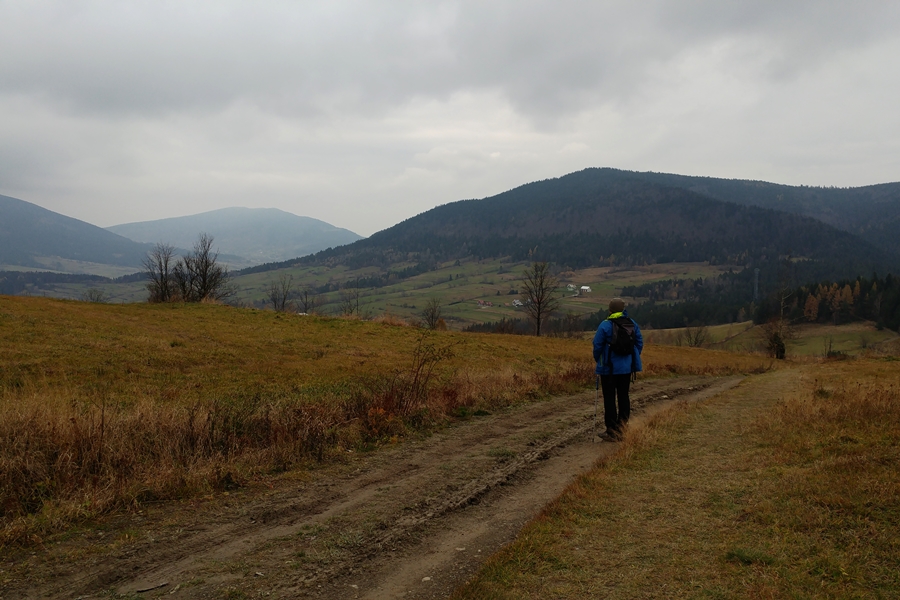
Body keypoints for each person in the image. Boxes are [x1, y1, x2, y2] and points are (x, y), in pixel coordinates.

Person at [592, 297, 643, 441]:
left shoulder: (605, 325)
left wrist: (599, 360)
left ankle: (611, 430)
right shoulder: (631, 324)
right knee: (623, 396)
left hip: (608, 368)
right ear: (622, 309)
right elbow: (639, 342)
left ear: (610, 310)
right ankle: (622, 428)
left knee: (609, 398)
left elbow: (597, 345)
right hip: (626, 369)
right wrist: (630, 358)